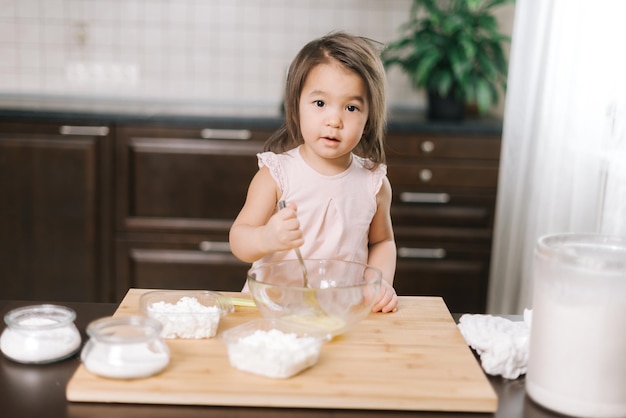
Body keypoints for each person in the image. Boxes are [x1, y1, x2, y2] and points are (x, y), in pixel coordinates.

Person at [229, 32, 398, 313]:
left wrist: (379, 282)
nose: (334, 120)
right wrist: (266, 238)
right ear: (295, 108)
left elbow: (382, 241)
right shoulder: (276, 175)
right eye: (320, 104)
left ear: (369, 120)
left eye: (351, 107)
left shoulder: (374, 183)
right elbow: (239, 238)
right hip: (274, 310)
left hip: (341, 313)